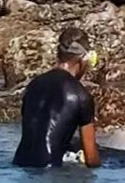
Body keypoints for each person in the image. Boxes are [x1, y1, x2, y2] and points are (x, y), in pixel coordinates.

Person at [13, 28, 101, 169]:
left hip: (20, 165)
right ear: (83, 59)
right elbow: (91, 159)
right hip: (49, 170)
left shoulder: (33, 85)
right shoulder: (81, 95)